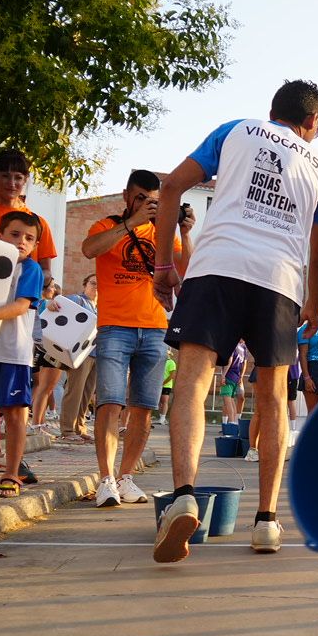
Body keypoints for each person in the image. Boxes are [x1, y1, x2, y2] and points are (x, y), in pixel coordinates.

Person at [151, 79, 318, 563]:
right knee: (273, 396)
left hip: (216, 266)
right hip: (277, 280)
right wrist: (315, 306)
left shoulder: (236, 131)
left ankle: (185, 496)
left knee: (192, 380)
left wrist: (164, 263)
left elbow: (170, 186)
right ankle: (266, 523)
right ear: (313, 122)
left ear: (271, 111)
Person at [82, 169, 191, 509]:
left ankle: (126, 476)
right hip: (115, 325)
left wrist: (184, 233)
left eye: (154, 201)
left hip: (155, 327)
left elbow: (184, 271)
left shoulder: (163, 233)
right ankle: (105, 479)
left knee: (143, 408)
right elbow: (89, 250)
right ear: (127, 196)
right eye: (141, 198)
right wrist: (131, 224)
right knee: (110, 403)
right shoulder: (106, 225)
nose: (147, 205)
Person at [0, 211, 46, 499]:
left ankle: (11, 472)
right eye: (14, 234)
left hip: (14, 354)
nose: (21, 242)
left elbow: (20, 306)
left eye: (29, 238)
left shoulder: (31, 270)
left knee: (16, 415)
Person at [0, 148, 59, 281]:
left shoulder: (38, 223)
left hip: (23, 298)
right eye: (5, 176)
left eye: (18, 177)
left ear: (25, 180)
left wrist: (35, 278)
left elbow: (46, 271)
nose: (12, 183)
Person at [57, 274, 100, 442]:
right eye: (93, 283)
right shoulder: (78, 300)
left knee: (86, 393)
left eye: (99, 285)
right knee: (75, 390)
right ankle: (67, 429)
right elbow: (58, 303)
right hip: (80, 354)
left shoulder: (100, 306)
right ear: (85, 285)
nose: (96, 287)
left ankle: (79, 427)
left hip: (96, 353)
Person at [30, 278, 63, 428]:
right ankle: (37, 423)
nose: (54, 289)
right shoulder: (44, 303)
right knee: (45, 387)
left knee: (44, 388)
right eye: (51, 287)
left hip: (47, 347)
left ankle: (40, 422)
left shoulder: (41, 302)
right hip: (48, 347)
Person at [158, 351, 176, 424]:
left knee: (164, 401)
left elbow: (172, 376)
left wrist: (163, 383)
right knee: (159, 402)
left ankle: (163, 418)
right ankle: (161, 417)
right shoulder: (160, 362)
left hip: (166, 385)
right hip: (159, 385)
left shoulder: (171, 362)